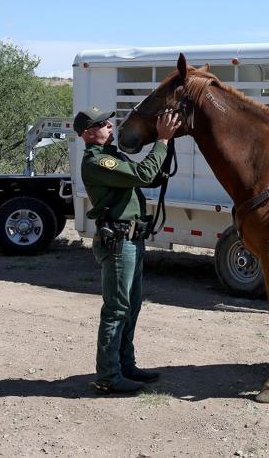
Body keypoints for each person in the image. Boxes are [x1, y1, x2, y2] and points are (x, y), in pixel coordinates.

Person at [74, 106, 182, 394]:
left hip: (132, 239)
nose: (110, 126)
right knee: (117, 309)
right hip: (119, 242)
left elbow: (147, 175)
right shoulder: (96, 162)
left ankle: (125, 365)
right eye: (102, 124)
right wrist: (162, 141)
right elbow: (143, 174)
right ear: (88, 134)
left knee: (131, 306)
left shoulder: (112, 157)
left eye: (108, 121)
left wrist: (164, 150)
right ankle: (109, 375)